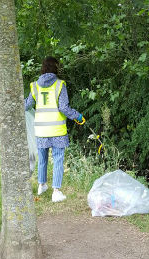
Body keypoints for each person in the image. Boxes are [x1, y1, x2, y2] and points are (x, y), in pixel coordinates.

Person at [25, 56, 84, 202]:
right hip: (57, 130)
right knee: (58, 159)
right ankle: (56, 192)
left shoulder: (35, 86)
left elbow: (26, 106)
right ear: (55, 67)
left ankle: (41, 185)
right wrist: (77, 116)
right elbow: (64, 108)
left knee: (42, 158)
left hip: (41, 130)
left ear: (43, 68)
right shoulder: (60, 85)